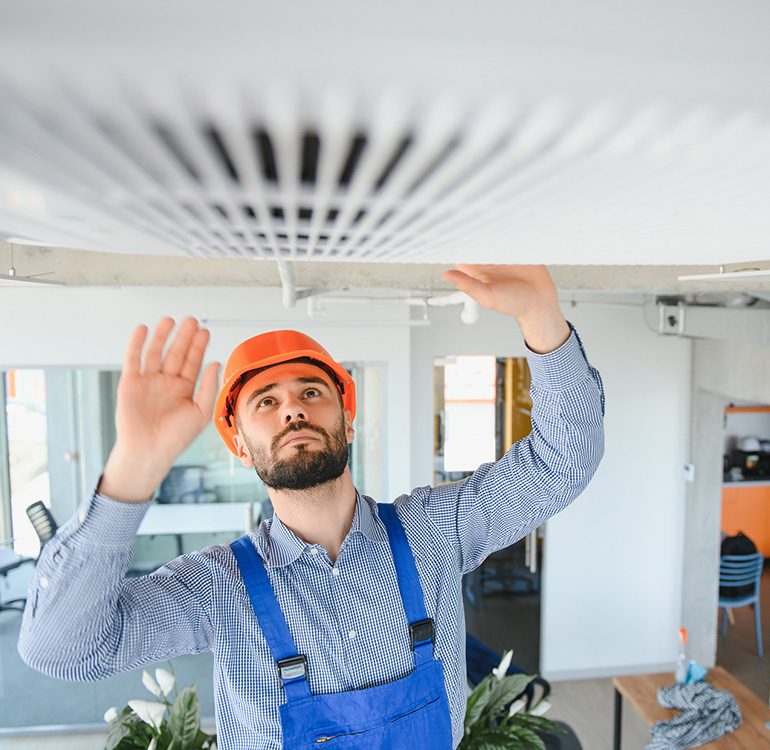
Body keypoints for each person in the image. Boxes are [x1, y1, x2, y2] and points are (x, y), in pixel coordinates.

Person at [18, 264, 605, 750]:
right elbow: (62, 649)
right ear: (241, 447)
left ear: (347, 418)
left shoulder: (436, 531)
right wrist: (133, 468)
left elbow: (563, 461)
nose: (292, 411)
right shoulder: (218, 586)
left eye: (310, 392)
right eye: (266, 402)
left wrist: (541, 316)